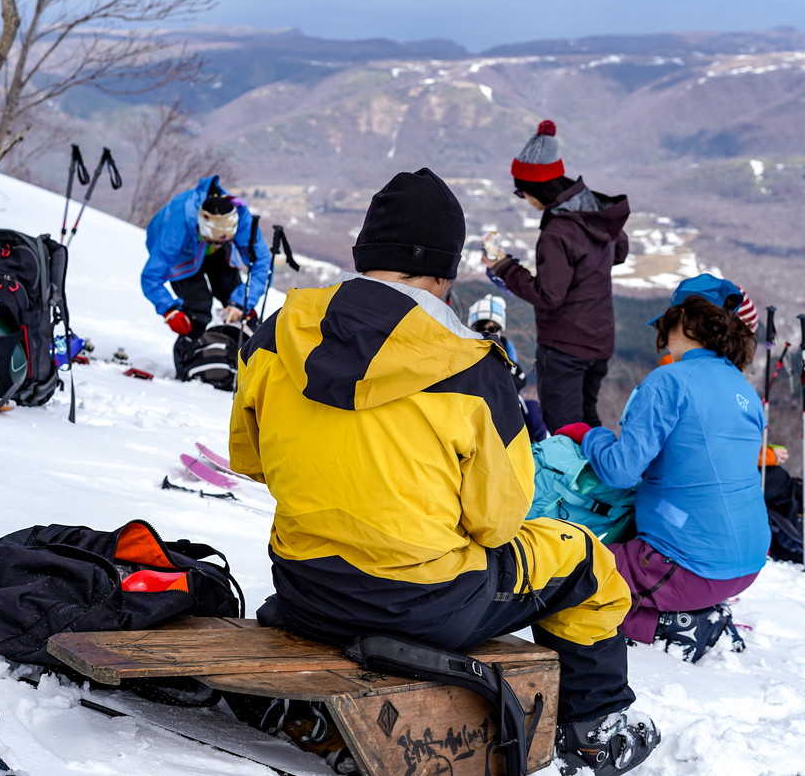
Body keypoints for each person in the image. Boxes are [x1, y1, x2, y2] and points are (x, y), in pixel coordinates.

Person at [230, 168, 658, 776]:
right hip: (424, 606)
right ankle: (596, 725)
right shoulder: (470, 366)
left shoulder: (275, 336)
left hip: (306, 587)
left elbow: (251, 461)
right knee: (584, 557)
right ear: (442, 272)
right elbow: (501, 519)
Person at [559, 279, 769, 649]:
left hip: (691, 567)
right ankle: (687, 611)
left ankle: (676, 624)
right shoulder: (744, 391)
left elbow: (620, 470)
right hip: (747, 563)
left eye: (666, 322)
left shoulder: (669, 381)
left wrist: (589, 435)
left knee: (564, 570)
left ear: (684, 321)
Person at [481, 120, 629, 432]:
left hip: (565, 345)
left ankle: (569, 482)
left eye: (521, 191)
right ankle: (594, 477)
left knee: (563, 429)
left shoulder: (557, 232)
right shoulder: (592, 210)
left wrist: (504, 266)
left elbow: (549, 295)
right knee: (588, 419)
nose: (522, 196)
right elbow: (619, 252)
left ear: (535, 188)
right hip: (600, 338)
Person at [140, 176, 270, 375]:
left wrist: (243, 302)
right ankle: (187, 365)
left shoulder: (240, 217)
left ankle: (246, 362)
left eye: (221, 241)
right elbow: (150, 276)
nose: (215, 245)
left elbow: (262, 263)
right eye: (212, 240)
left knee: (237, 299)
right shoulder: (178, 224)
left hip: (214, 249)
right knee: (197, 310)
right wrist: (169, 310)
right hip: (181, 254)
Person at [466, 293, 548, 441]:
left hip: (507, 416)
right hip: (473, 416)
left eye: (493, 327)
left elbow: (518, 381)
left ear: (501, 329)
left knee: (534, 412)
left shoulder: (508, 357)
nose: (487, 332)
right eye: (480, 326)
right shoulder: (464, 357)